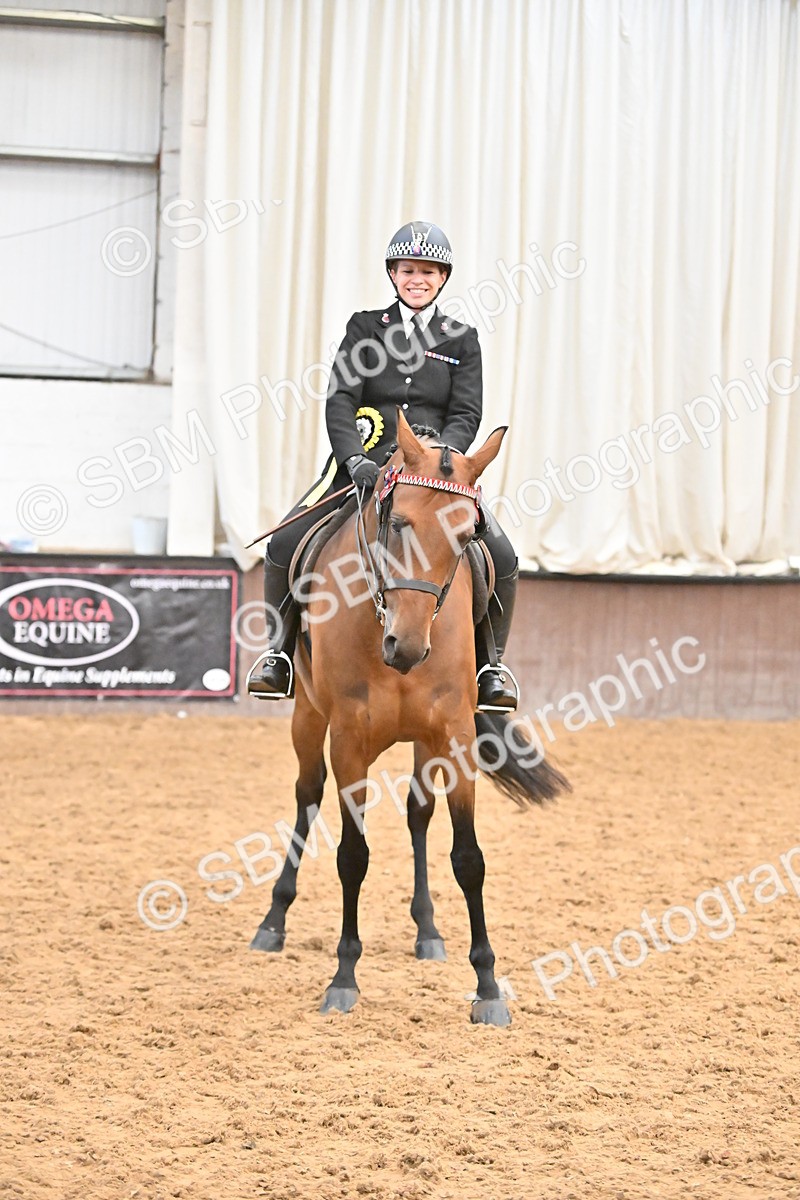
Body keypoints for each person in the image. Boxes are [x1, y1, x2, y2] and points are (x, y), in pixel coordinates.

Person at [247, 221, 519, 710]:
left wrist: (437, 460)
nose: (418, 278)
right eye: (409, 269)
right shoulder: (365, 328)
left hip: (431, 475)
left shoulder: (461, 339)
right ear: (393, 273)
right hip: (365, 466)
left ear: (443, 277)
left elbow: (466, 413)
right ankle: (278, 655)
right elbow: (340, 400)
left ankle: (490, 666)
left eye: (429, 271)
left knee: (500, 554)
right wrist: (354, 459)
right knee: (286, 541)